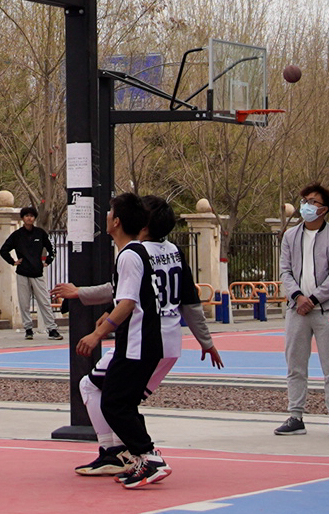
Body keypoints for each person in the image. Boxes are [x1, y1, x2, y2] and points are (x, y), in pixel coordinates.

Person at [71, 194, 219, 489]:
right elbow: (187, 301)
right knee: (121, 400)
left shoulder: (135, 253)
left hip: (142, 339)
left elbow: (126, 297)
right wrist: (206, 340)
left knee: (109, 398)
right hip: (167, 341)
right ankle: (136, 456)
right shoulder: (173, 251)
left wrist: (98, 328)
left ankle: (138, 455)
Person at [275, 184, 329, 437]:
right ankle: (295, 415)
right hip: (296, 310)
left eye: (313, 202)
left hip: (326, 310)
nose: (307, 205)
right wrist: (298, 297)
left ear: (324, 209)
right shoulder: (290, 236)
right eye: (305, 200)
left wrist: (314, 299)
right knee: (295, 364)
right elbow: (285, 271)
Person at [0, 206, 61, 341]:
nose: (29, 218)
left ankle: (52, 329)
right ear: (22, 218)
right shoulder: (17, 235)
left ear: (34, 218)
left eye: (32, 216)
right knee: (24, 303)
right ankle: (28, 329)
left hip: (37, 273)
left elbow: (51, 248)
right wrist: (13, 262)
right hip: (22, 273)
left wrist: (48, 261)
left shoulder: (40, 233)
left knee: (44, 301)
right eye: (26, 216)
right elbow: (3, 250)